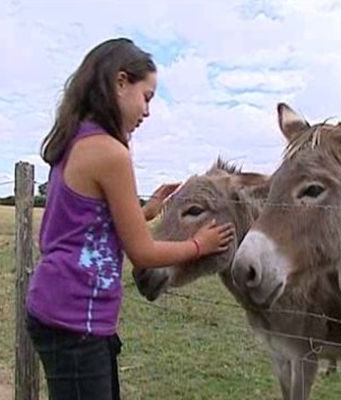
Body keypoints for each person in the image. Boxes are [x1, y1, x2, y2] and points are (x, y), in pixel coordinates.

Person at [25, 37, 234, 400]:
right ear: (120, 82)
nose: (148, 111)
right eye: (147, 96)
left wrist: (147, 211)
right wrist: (200, 245)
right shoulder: (110, 153)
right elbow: (144, 253)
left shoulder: (77, 141)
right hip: (75, 322)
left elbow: (86, 227)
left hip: (64, 312)